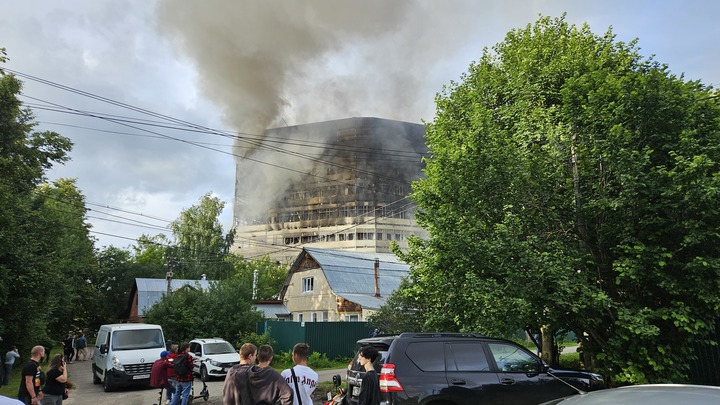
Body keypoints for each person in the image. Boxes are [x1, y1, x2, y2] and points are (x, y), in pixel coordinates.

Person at [222, 343, 293, 405]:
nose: (256, 357)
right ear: (250, 356)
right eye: (255, 355)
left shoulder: (231, 372)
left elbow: (227, 397)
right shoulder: (259, 372)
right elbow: (288, 393)